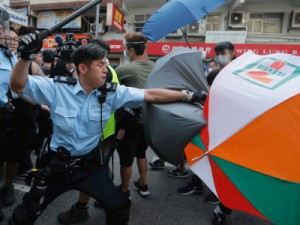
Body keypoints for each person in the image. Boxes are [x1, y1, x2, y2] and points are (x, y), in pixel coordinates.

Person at [7, 32, 206, 225]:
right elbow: (17, 85)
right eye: (101, 64)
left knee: (119, 205)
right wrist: (26, 57)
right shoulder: (57, 88)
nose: (106, 69)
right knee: (24, 215)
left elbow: (150, 95)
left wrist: (189, 96)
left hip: (89, 167)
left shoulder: (112, 94)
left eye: (106, 63)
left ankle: (81, 210)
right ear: (83, 69)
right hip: (57, 167)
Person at [56, 39, 121, 225]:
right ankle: (104, 197)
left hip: (95, 132)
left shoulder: (102, 74)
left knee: (90, 170)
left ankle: (81, 209)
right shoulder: (112, 71)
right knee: (101, 167)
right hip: (106, 130)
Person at [115, 32, 154, 197]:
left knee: (125, 158)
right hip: (149, 121)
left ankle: (124, 190)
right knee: (141, 153)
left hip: (129, 122)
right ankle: (143, 184)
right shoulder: (155, 67)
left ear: (130, 50)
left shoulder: (123, 69)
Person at [0, 13, 17, 223]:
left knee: (11, 152)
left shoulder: (9, 56)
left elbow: (20, 84)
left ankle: (8, 186)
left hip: (9, 112)